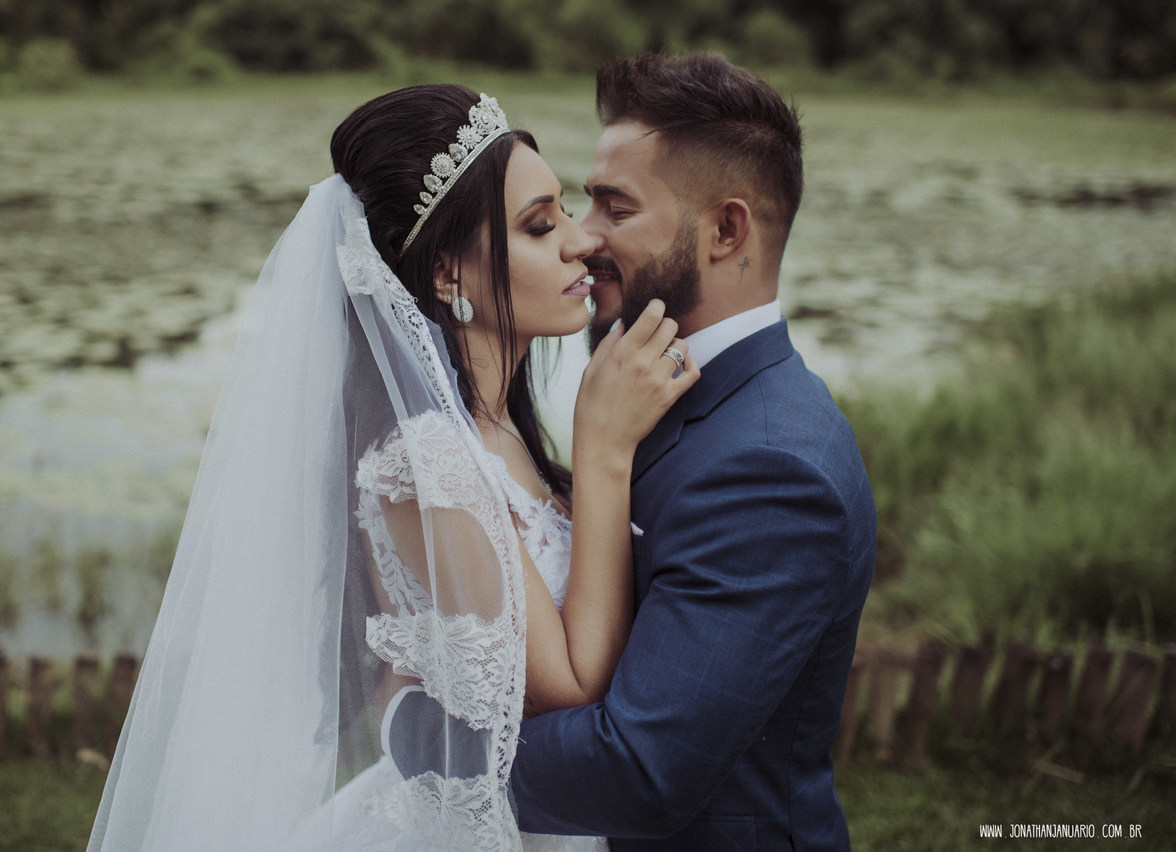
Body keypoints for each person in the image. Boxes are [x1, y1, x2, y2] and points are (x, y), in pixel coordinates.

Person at [87, 85, 697, 851]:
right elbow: (572, 685)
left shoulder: (500, 431)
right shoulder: (426, 464)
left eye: (564, 210)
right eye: (540, 227)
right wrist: (604, 454)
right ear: (446, 277)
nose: (581, 242)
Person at [510, 52, 878, 851]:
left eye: (615, 207)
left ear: (726, 229)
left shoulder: (771, 470)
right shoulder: (661, 395)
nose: (581, 238)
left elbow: (636, 772)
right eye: (583, 204)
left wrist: (425, 747)